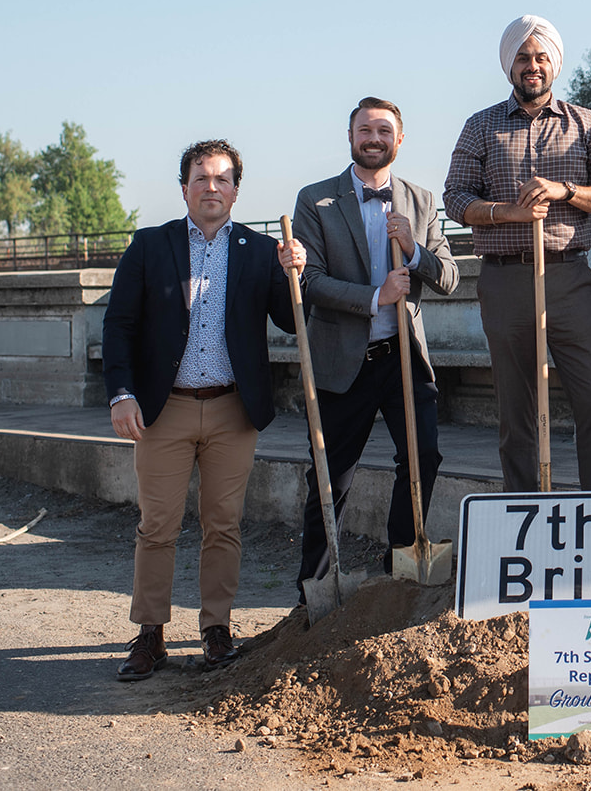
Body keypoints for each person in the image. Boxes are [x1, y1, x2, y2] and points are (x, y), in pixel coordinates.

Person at [103, 139, 304, 680]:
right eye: (200, 178)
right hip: (163, 409)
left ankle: (217, 628)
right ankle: (150, 634)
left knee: (224, 525)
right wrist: (121, 393)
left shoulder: (261, 250)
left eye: (222, 179)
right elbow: (118, 324)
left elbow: (291, 321)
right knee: (157, 525)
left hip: (232, 410)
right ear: (184, 188)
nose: (211, 187)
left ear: (236, 190)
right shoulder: (150, 245)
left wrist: (296, 273)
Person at [444, 15, 591, 491]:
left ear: (554, 64)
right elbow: (456, 199)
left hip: (569, 278)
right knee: (516, 406)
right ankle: (524, 506)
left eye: (541, 57)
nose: (533, 66)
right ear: (509, 65)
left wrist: (566, 190)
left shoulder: (585, 123)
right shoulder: (480, 126)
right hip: (504, 280)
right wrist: (510, 212)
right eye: (523, 57)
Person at [291, 98, 459, 598]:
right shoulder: (316, 200)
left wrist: (413, 250)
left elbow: (449, 276)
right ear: (350, 137)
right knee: (331, 477)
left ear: (399, 140)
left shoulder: (422, 201)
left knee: (423, 457)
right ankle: (315, 587)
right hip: (344, 362)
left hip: (404, 359)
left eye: (384, 130)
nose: (374, 138)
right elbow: (309, 281)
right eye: (365, 129)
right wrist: (375, 297)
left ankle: (399, 570)